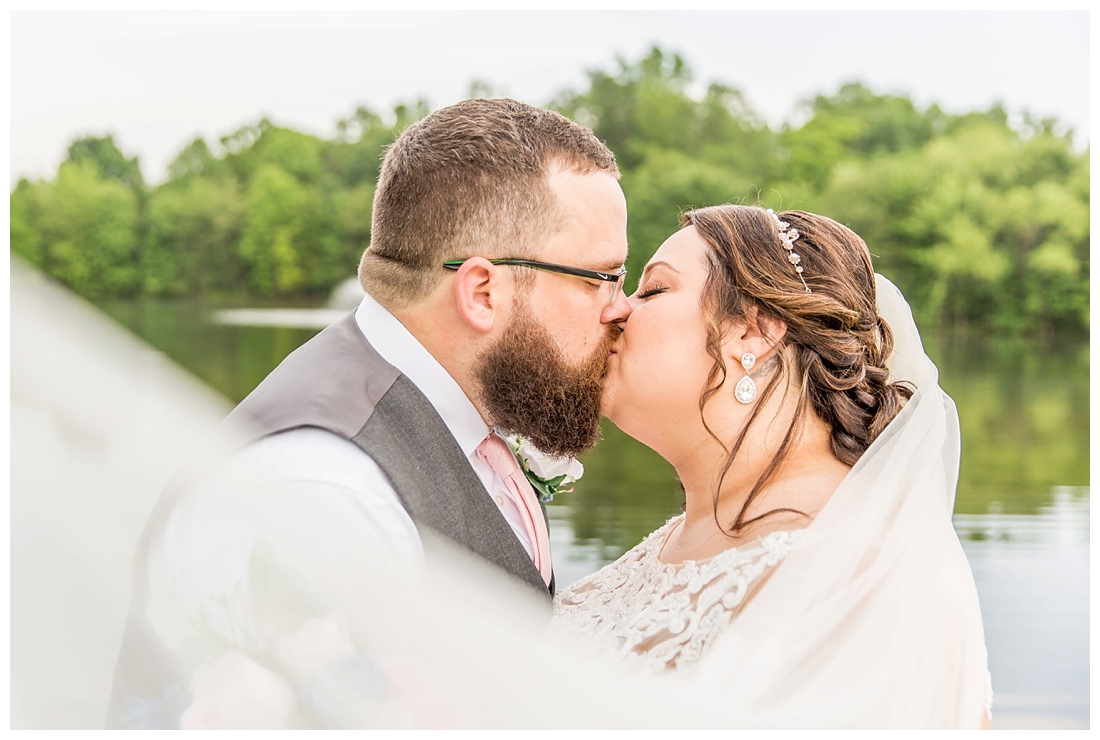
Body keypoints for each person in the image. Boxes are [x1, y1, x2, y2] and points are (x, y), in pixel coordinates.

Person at [105, 99, 633, 728]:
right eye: (603, 277)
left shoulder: (464, 422)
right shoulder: (322, 491)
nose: (620, 309)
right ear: (483, 292)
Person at [553, 205, 992, 729]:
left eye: (652, 290)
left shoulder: (850, 574)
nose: (616, 311)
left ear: (753, 333)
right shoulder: (683, 538)